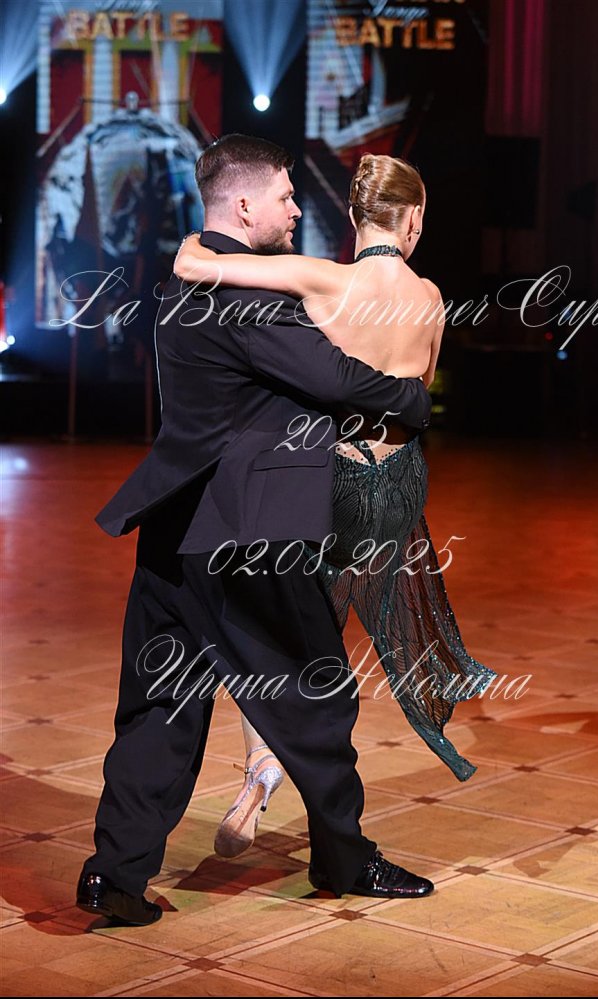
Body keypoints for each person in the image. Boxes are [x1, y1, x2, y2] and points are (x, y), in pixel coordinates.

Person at [76, 134, 436, 927]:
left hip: (175, 527)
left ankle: (115, 875)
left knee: (161, 704)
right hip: (249, 533)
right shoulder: (246, 296)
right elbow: (333, 378)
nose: (296, 208)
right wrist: (414, 400)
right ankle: (346, 859)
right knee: (318, 696)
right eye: (284, 196)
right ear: (244, 205)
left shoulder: (186, 279)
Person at [174, 153, 496, 861]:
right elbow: (421, 390)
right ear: (413, 219)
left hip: (335, 482)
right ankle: (314, 795)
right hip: (401, 489)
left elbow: (197, 267)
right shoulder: (431, 296)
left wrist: (193, 238)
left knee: (275, 635)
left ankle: (261, 766)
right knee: (323, 634)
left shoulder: (323, 277)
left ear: (353, 217)